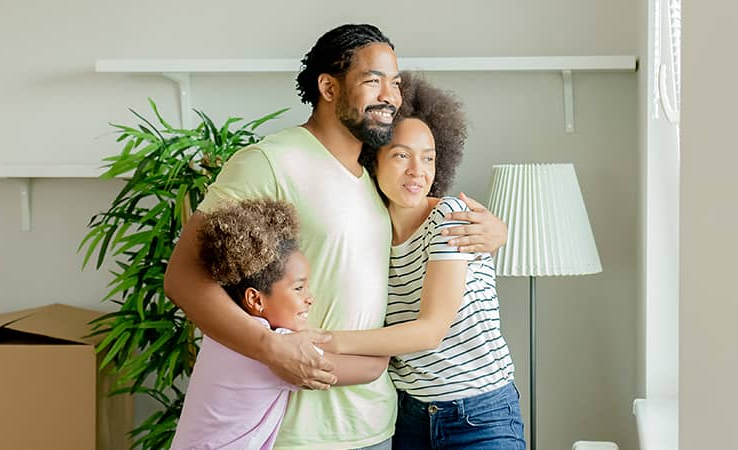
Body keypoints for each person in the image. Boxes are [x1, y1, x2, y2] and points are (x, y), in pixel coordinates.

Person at [164, 24, 507, 450]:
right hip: (295, 432)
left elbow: (423, 222)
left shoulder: (377, 180)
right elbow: (183, 277)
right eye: (373, 80)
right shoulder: (269, 161)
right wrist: (270, 347)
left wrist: (495, 231)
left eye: (395, 83)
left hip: (379, 426)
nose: (390, 95)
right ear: (328, 86)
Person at [323, 73, 525, 449]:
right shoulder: (369, 230)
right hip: (409, 415)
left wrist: (327, 342)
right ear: (372, 159)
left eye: (428, 158)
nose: (418, 171)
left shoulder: (449, 217)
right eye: (402, 155)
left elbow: (430, 331)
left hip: (479, 417)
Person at [170, 199, 387, 450]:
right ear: (255, 299)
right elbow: (372, 368)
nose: (310, 298)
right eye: (298, 287)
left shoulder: (222, 334)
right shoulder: (275, 350)